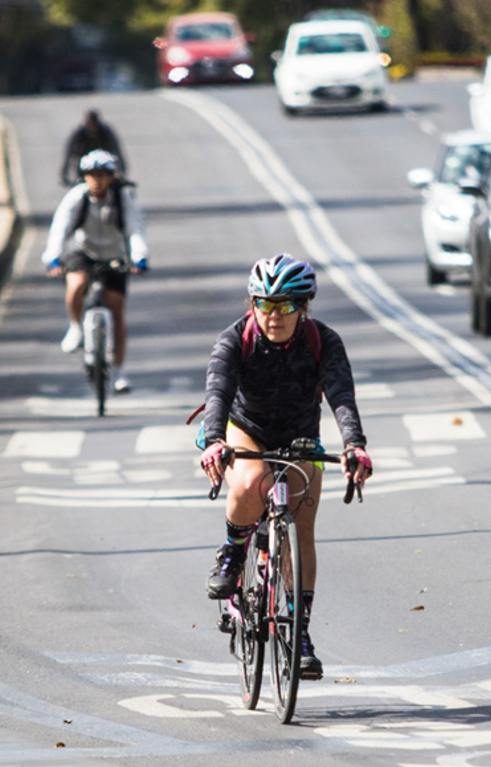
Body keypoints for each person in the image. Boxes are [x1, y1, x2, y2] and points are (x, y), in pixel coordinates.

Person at [198, 254, 374, 679]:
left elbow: (341, 396)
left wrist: (354, 445)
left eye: (286, 306)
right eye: (265, 305)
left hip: (299, 435)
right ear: (252, 305)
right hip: (247, 428)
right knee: (250, 480)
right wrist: (215, 440)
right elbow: (218, 392)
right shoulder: (235, 339)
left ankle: (300, 634)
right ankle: (233, 554)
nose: (274, 316)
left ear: (304, 308)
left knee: (303, 523)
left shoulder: (324, 341)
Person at [42, 149, 149, 393]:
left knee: (117, 308)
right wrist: (53, 258)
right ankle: (76, 327)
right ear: (84, 177)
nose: (98, 180)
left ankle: (120, 371)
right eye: (92, 175)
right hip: (83, 251)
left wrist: (139, 258)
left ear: (112, 177)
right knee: (76, 285)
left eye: (103, 175)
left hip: (114, 255)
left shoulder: (123, 198)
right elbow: (60, 228)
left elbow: (135, 230)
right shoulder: (76, 197)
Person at [61, 110, 127, 187]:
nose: (92, 128)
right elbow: (68, 155)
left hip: (103, 159)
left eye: (94, 125)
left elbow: (117, 151)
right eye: (90, 125)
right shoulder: (78, 133)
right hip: (83, 161)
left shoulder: (106, 132)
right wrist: (64, 174)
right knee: (80, 183)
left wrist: (121, 172)